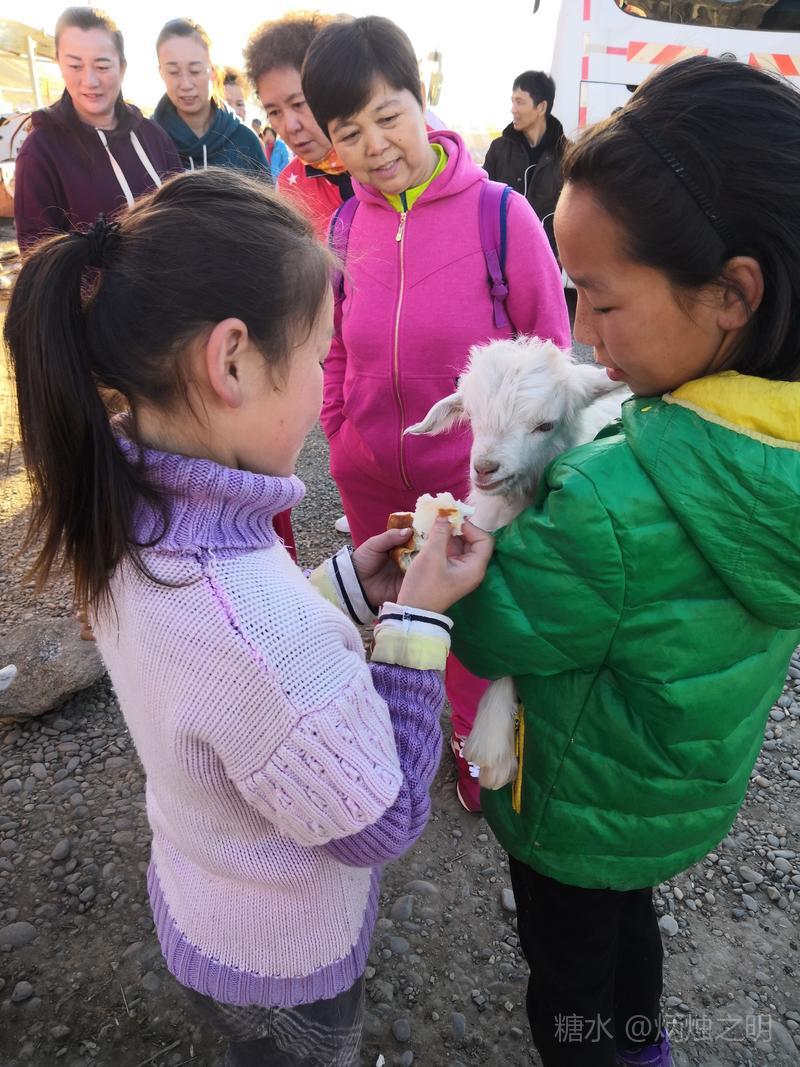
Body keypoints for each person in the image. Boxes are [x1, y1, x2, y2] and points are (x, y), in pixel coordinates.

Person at [5, 167, 494, 1065]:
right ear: (231, 360)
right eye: (318, 354)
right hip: (282, 959)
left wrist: (346, 588)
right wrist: (417, 620)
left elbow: (230, 669)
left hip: (204, 897)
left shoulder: (128, 509)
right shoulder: (260, 636)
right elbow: (384, 817)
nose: (322, 385)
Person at [448, 55, 800, 1067]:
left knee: (568, 972)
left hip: (575, 798)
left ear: (731, 292)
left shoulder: (612, 497)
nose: (579, 335)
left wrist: (444, 557)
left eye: (598, 301)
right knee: (630, 927)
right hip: (673, 789)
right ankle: (644, 1047)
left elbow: (491, 626)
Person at [302, 16, 571, 812]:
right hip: (368, 475)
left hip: (469, 486)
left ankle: (470, 736)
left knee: (472, 623)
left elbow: (549, 357)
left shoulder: (500, 215)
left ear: (423, 101)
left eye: (388, 117)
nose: (374, 146)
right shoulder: (347, 223)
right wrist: (339, 430)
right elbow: (336, 343)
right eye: (349, 133)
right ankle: (405, 728)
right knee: (396, 612)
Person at [13, 6, 180, 251]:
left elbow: (182, 217)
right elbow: (38, 257)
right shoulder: (40, 152)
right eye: (75, 66)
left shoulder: (154, 137)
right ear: (60, 64)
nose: (90, 81)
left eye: (102, 66)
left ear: (122, 68)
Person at [244, 12, 354, 239]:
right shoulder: (288, 189)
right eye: (274, 112)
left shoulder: (387, 159)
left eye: (299, 104)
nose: (290, 126)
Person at [153, 19, 269, 180]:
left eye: (195, 71)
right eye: (173, 72)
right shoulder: (149, 142)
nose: (186, 84)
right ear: (161, 73)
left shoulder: (245, 141)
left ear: (213, 72)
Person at [483, 70, 567, 258]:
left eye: (520, 102)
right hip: (499, 258)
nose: (513, 109)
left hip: (544, 259)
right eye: (512, 101)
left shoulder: (567, 156)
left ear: (541, 107)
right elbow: (482, 202)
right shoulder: (499, 149)